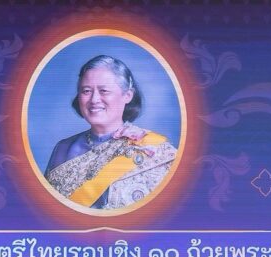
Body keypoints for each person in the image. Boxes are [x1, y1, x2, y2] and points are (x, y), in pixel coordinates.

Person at [44, 55, 178, 211]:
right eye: (86, 91)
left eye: (104, 91)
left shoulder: (153, 150)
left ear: (127, 95)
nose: (94, 99)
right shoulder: (62, 148)